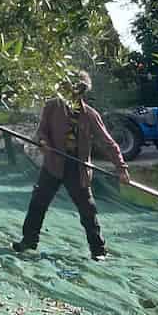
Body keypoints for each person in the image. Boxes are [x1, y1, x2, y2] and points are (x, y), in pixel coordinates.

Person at [12, 70, 130, 260]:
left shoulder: (90, 115)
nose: (72, 93)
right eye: (68, 88)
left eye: (77, 90)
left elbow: (108, 143)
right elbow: (42, 131)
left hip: (78, 168)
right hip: (53, 163)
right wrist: (43, 142)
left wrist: (121, 169)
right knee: (38, 203)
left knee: (88, 210)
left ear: (82, 92)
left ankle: (98, 250)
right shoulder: (51, 106)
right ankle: (28, 241)